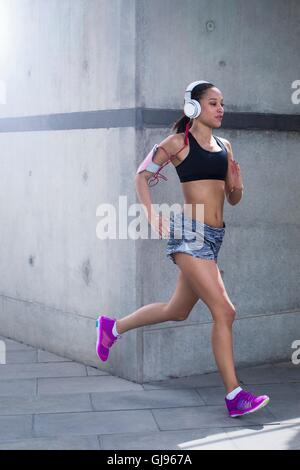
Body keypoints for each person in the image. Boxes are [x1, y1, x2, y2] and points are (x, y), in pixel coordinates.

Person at [96, 80, 270, 418]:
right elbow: (140, 176)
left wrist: (237, 184)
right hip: (190, 234)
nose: (221, 109)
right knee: (226, 311)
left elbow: (233, 199)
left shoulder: (226, 146)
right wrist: (151, 214)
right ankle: (235, 395)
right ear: (193, 107)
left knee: (176, 310)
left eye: (222, 103)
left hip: (214, 238)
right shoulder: (178, 143)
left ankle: (111, 328)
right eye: (213, 103)